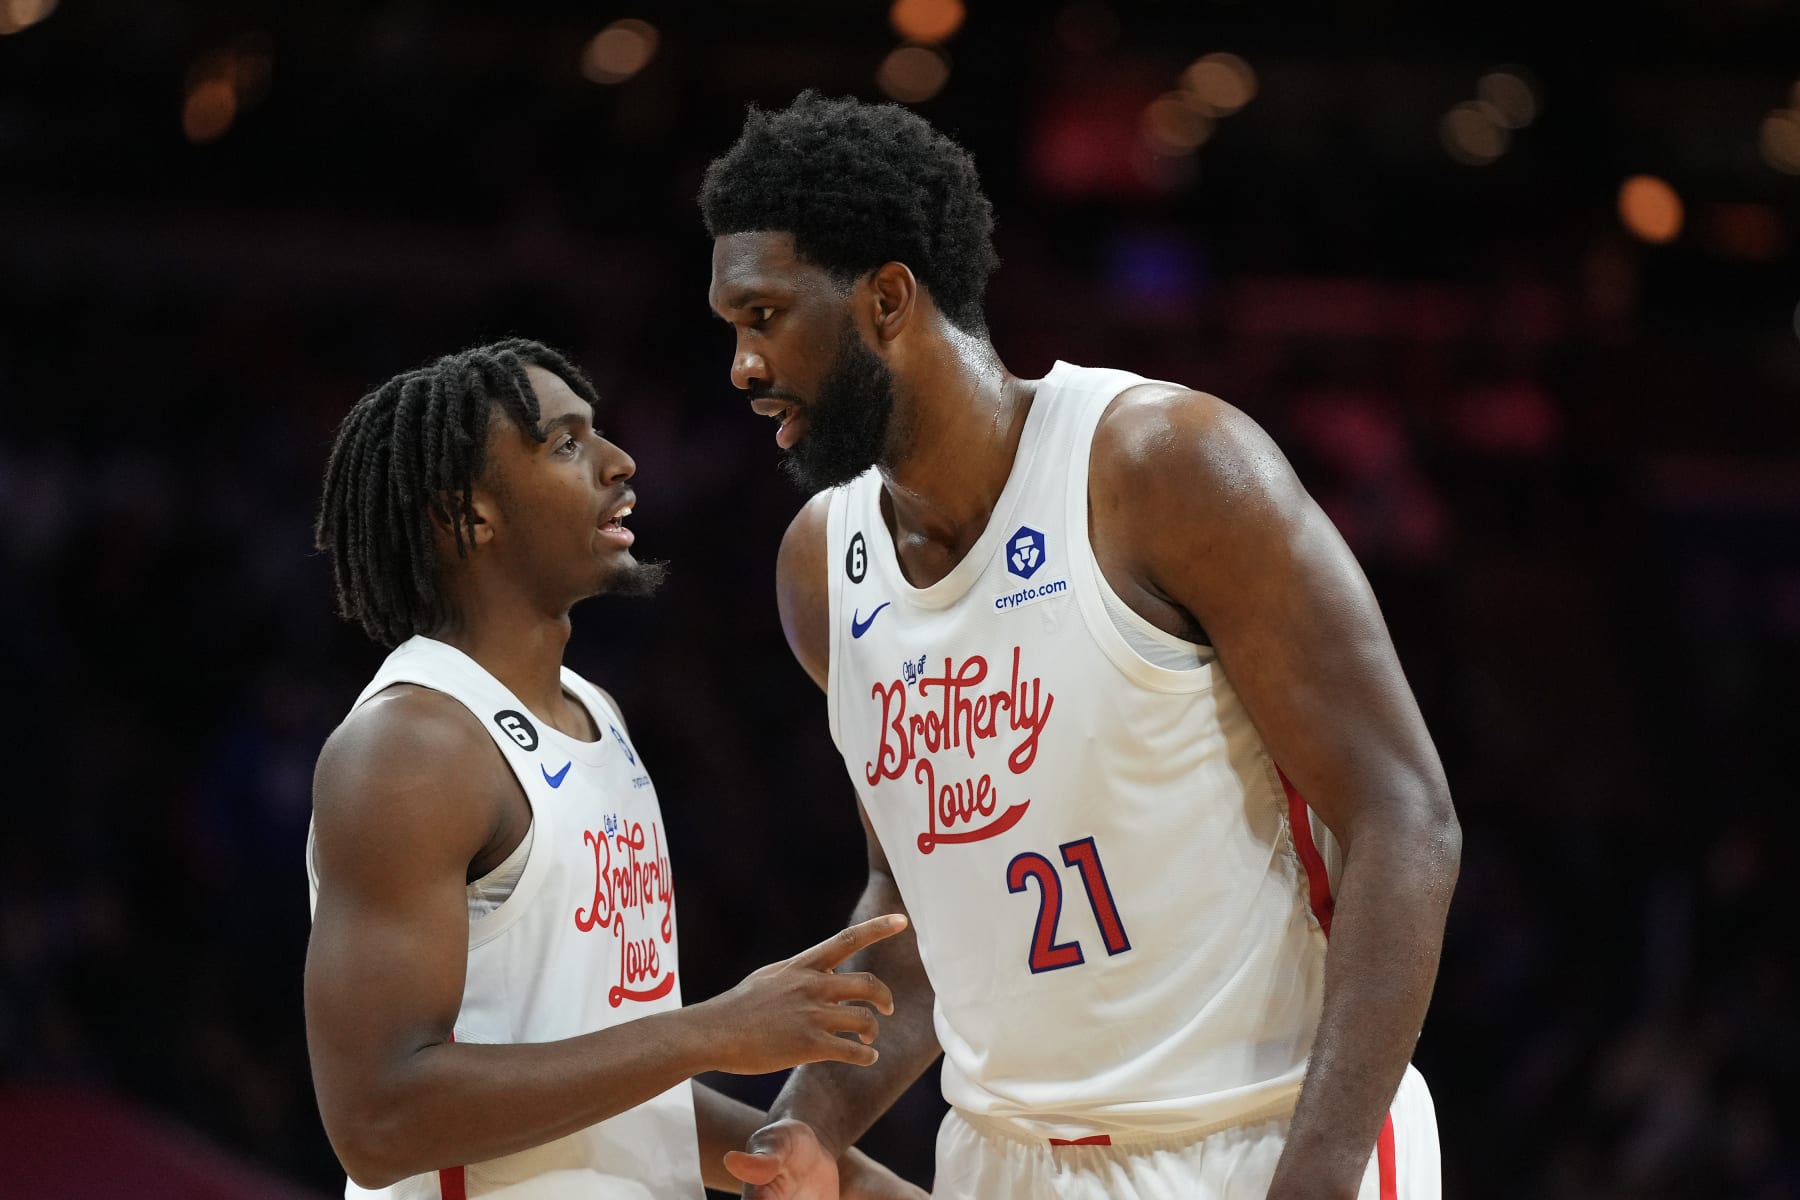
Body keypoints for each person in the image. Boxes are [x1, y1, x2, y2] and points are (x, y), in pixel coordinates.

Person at [700, 93, 1462, 1199]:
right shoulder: (822, 567)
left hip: (1263, 1138)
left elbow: (1405, 818)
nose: (741, 365)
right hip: (1005, 1161)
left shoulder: (1166, 467)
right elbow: (913, 905)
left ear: (887, 299)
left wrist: (1321, 1175)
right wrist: (811, 1121)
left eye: (763, 316)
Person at [305, 338, 926, 1200]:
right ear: (470, 513)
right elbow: (377, 1122)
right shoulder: (411, 748)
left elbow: (611, 1078)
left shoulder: (595, 713)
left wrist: (828, 1166)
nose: (619, 461)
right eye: (565, 443)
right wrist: (711, 1032)